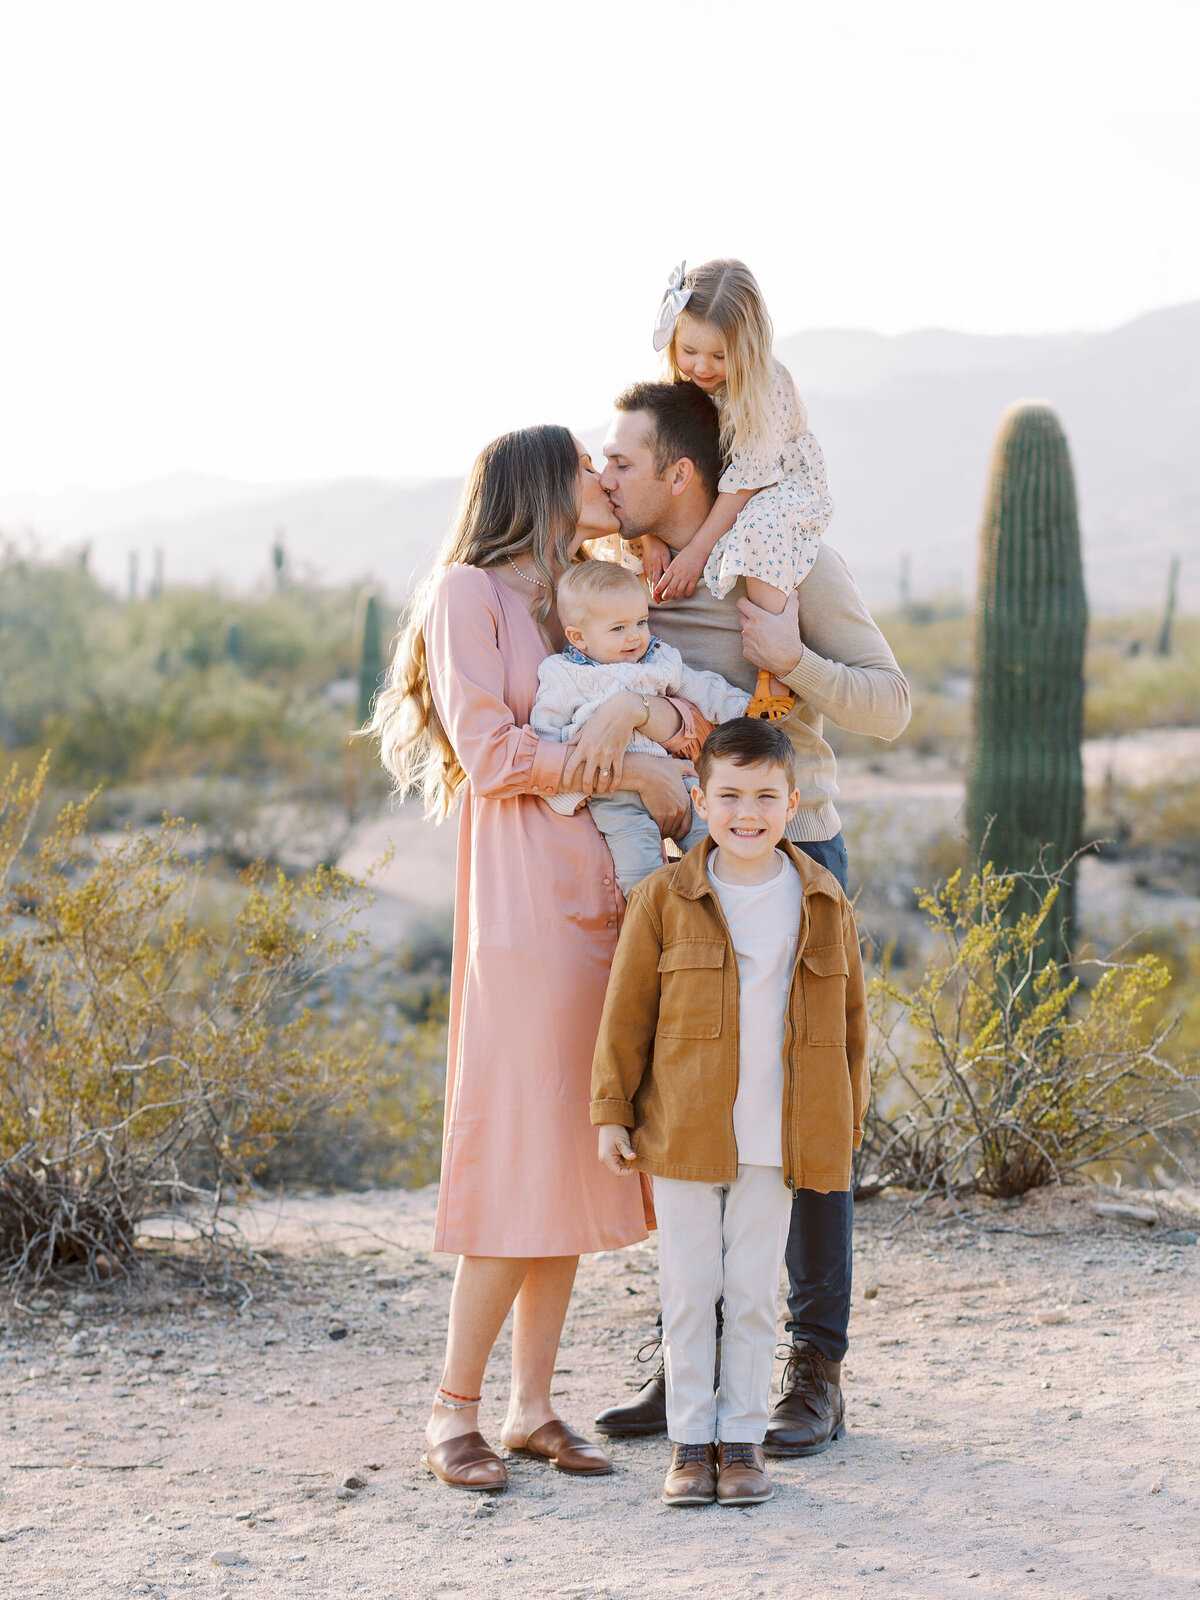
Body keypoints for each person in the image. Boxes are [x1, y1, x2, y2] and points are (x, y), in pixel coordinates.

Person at [371, 424, 701, 1493]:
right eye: (586, 470)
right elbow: (492, 749)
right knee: (519, 1153)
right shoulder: (470, 593)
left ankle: (531, 1407)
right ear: (538, 485)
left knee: (564, 1154)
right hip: (522, 913)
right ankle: (450, 1410)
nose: (606, 481)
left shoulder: (593, 589)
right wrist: (635, 774)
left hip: (605, 909)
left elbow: (683, 708)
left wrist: (643, 709)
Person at [594, 379, 910, 1457]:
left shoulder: (790, 562)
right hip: (687, 873)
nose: (608, 477)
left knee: (804, 1106)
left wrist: (793, 662)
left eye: (622, 461)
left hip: (800, 853)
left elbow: (889, 701)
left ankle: (814, 1364)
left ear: (680, 475)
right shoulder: (631, 583)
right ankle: (696, 1358)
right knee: (694, 1112)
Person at [591, 719, 868, 1506]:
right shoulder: (665, 897)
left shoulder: (819, 898)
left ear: (793, 802)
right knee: (687, 1288)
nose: (748, 813)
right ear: (701, 800)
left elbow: (852, 1021)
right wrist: (613, 1111)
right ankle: (689, 1443)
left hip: (776, 1133)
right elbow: (626, 1013)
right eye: (731, 796)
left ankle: (740, 1441)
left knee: (751, 1290)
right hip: (683, 1129)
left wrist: (840, 1126)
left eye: (766, 797)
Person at [643, 258, 835, 722]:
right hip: (722, 480)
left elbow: (745, 484)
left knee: (762, 525)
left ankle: (773, 666)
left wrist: (694, 553)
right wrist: (650, 536)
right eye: (689, 350)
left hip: (774, 481)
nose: (701, 367)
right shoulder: (681, 381)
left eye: (719, 356)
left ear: (746, 349)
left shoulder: (765, 388)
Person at [529, 559, 750, 894]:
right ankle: (655, 922)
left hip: (675, 777)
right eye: (618, 628)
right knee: (639, 871)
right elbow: (546, 733)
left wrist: (746, 711)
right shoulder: (562, 675)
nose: (634, 635)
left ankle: (723, 908)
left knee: (716, 850)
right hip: (614, 796)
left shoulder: (658, 659)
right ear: (579, 638)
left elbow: (702, 687)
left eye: (641, 622)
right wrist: (573, 787)